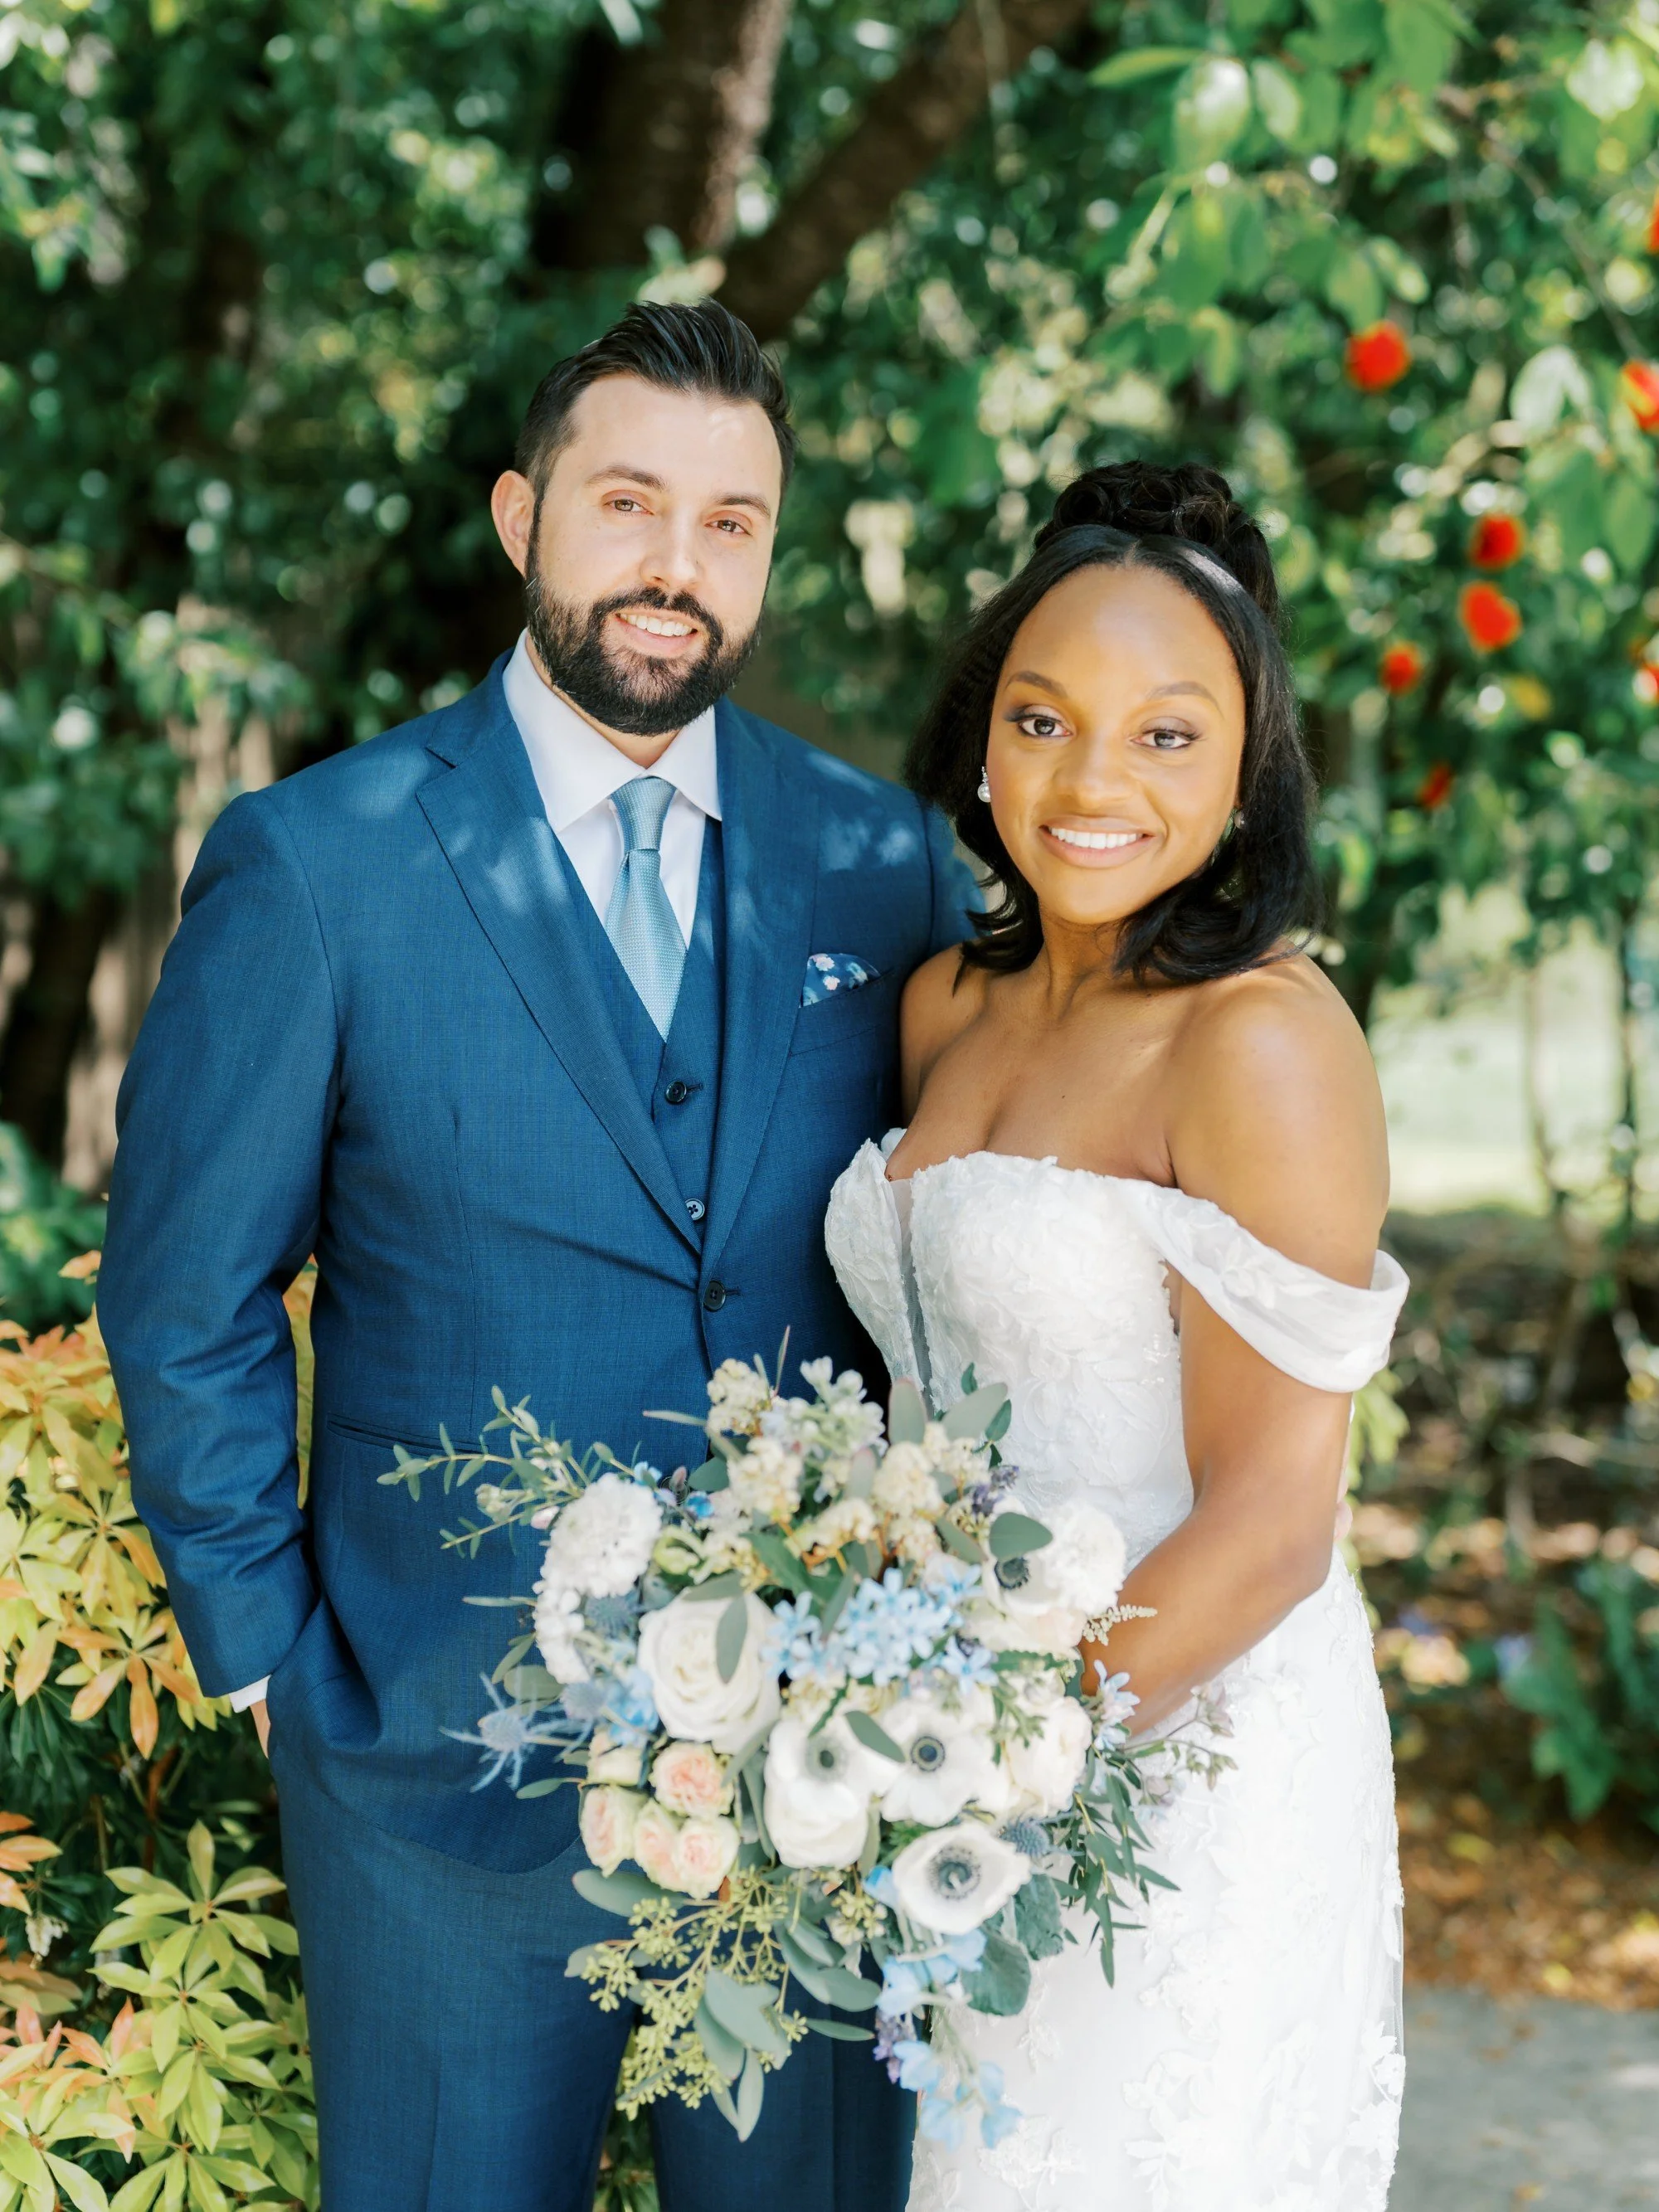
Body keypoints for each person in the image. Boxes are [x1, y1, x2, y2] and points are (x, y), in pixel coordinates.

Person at [98, 300, 972, 2212]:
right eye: (629, 502)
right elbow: (183, 1291)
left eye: (731, 521)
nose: (676, 566)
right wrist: (270, 1663)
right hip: (431, 1784)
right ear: (520, 515)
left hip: (810, 1780)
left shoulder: (882, 864)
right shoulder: (318, 865)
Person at [824, 461, 1410, 2212]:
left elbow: (1273, 1522)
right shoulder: (942, 1007)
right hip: (933, 1761)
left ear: (1247, 776)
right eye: (1045, 718)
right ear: (980, 739)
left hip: (1172, 1773)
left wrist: (991, 1772)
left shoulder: (1260, 1042)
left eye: (1167, 735)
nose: (1091, 780)